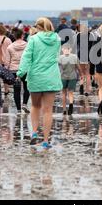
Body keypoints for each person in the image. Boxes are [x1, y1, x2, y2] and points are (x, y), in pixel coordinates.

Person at [17, 18, 62, 149]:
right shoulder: (57, 39)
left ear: (38, 27)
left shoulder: (33, 39)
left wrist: (20, 72)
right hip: (51, 76)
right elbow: (56, 56)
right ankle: (46, 140)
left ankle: (35, 133)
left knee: (35, 106)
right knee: (48, 110)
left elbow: (26, 57)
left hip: (35, 76)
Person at [3, 29, 30, 114]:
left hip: (14, 70)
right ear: (22, 35)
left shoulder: (10, 47)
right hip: (25, 69)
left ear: (14, 36)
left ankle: (18, 109)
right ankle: (25, 103)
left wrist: (6, 71)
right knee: (27, 88)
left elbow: (7, 61)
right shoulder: (28, 45)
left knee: (16, 90)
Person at [59, 44, 80, 115]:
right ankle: (71, 103)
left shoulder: (60, 58)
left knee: (64, 93)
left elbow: (58, 68)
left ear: (62, 50)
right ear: (70, 49)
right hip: (72, 77)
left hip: (63, 77)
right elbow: (78, 67)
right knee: (70, 92)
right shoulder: (74, 57)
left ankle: (64, 110)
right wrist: (81, 74)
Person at [75, 24, 93, 96]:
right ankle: (87, 90)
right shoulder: (91, 35)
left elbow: (76, 45)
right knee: (88, 73)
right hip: (89, 55)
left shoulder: (79, 35)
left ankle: (81, 84)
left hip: (81, 54)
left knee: (82, 72)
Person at [0, 25, 13, 96]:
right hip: (6, 60)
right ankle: (6, 90)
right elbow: (11, 50)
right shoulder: (8, 40)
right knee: (6, 76)